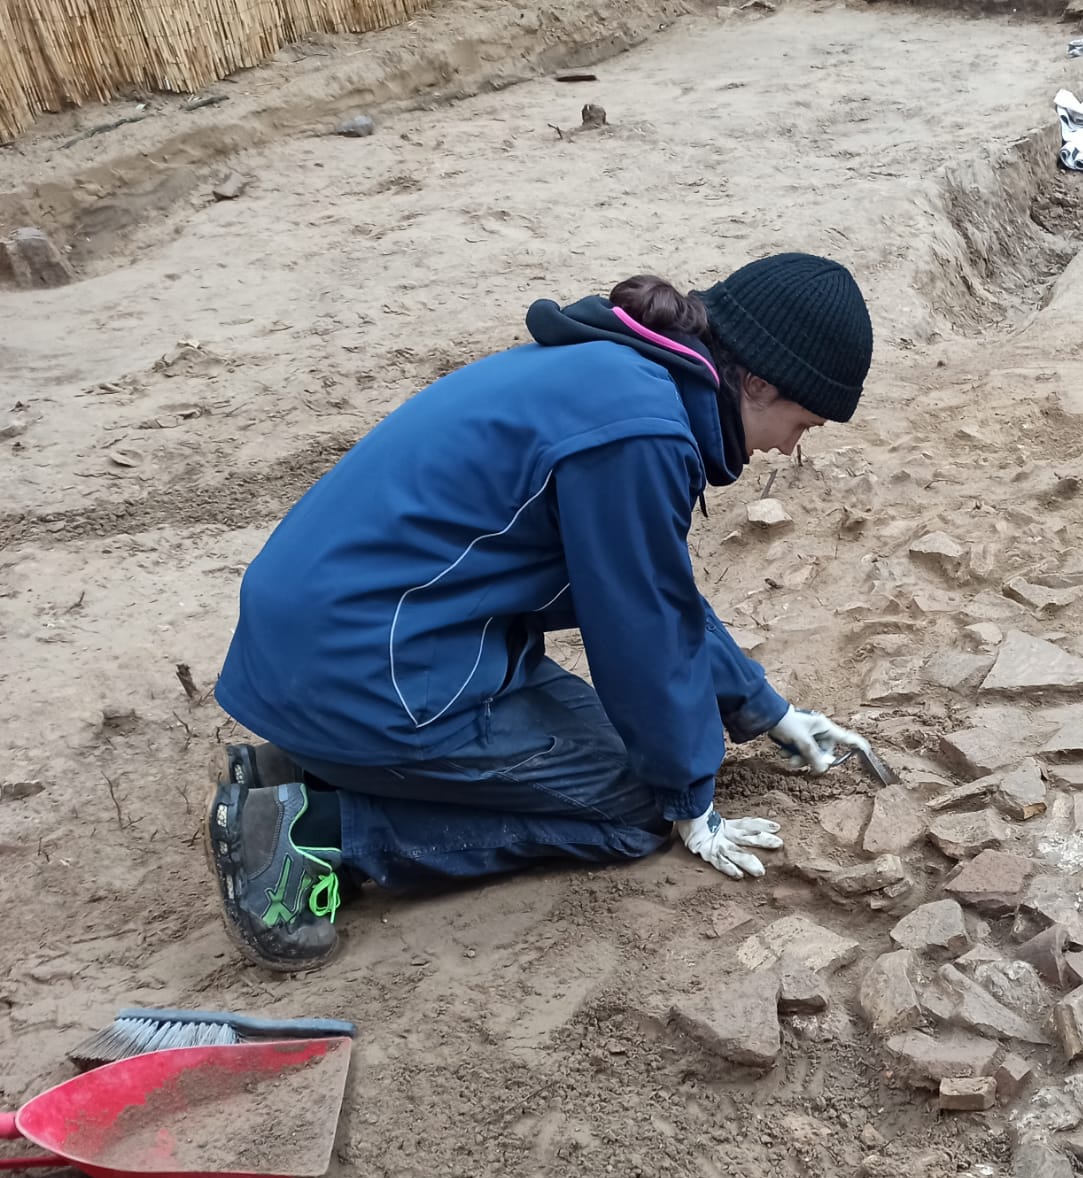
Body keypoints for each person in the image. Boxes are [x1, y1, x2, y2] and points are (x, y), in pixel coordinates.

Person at [207, 253, 876, 973]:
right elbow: (641, 627)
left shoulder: (623, 372)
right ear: (756, 379)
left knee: (628, 754)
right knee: (637, 807)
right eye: (800, 422)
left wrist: (766, 710)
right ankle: (317, 831)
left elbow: (654, 588)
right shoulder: (640, 433)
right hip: (372, 663)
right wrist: (688, 800)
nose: (787, 447)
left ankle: (309, 765)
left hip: (338, 640)